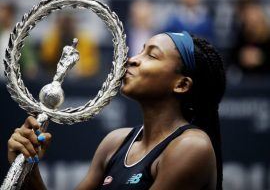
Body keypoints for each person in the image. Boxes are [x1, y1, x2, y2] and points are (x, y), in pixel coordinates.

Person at [7, 31, 226, 190]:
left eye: (152, 55)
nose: (132, 60)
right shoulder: (115, 142)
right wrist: (28, 166)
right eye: (140, 51)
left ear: (181, 85)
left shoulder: (191, 147)